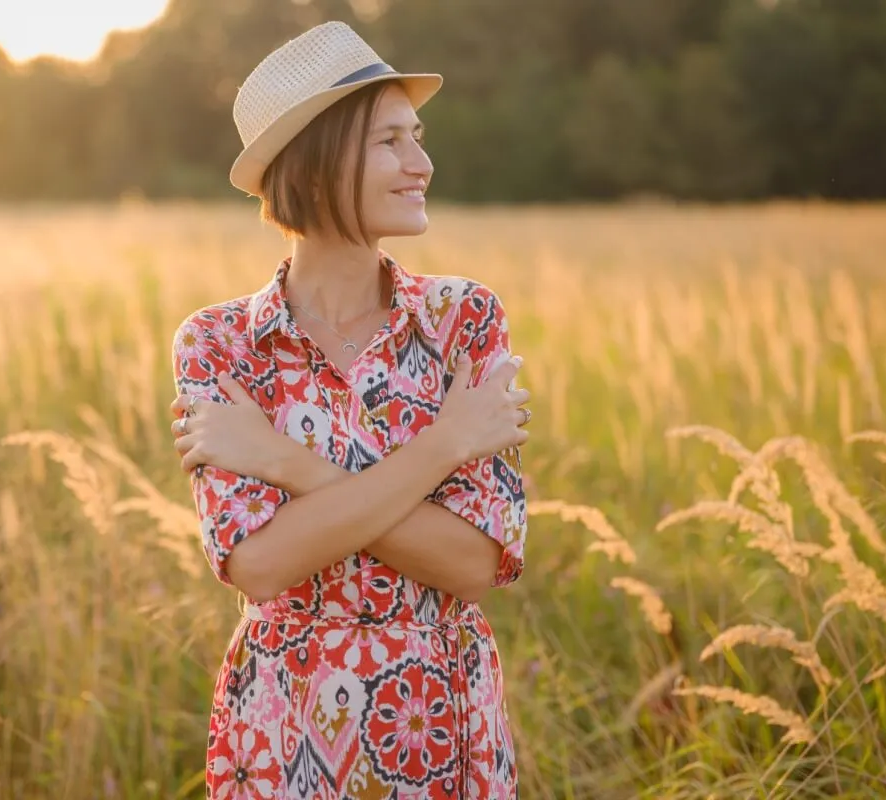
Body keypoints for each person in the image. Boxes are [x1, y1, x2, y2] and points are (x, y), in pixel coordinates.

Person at [168, 20, 531, 800]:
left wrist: (283, 461)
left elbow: (473, 563)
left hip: (439, 710)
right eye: (390, 142)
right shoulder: (222, 344)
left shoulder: (463, 322)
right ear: (320, 160)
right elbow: (259, 565)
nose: (422, 163)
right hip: (285, 719)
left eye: (418, 137)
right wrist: (444, 445)